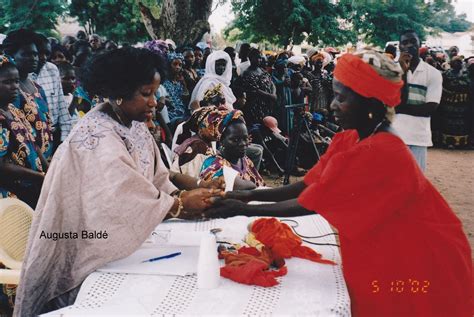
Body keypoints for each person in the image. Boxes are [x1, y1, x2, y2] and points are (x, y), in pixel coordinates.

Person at [207, 47, 471, 316]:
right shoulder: (352, 137)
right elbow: (307, 185)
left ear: (371, 104)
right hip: (389, 247)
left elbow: (312, 203)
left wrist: (243, 208)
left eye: (341, 98)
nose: (332, 105)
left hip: (418, 255)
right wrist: (248, 196)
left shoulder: (382, 150)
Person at [14, 47, 223, 316]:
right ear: (118, 94)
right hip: (82, 251)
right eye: (146, 94)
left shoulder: (132, 123)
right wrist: (180, 205)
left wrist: (194, 188)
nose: (154, 103)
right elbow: (123, 197)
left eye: (155, 93)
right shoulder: (97, 136)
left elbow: (157, 177)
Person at [0, 55, 49, 314]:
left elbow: (30, 142)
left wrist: (47, 164)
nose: (14, 87)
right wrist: (38, 177)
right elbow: (1, 164)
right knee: (13, 254)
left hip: (30, 188)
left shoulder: (14, 109)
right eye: (7, 82)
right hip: (8, 195)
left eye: (16, 81)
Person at [392, 29, 442, 172]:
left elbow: (430, 109)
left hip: (418, 136)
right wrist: (402, 73)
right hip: (394, 135)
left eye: (413, 41)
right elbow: (392, 103)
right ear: (399, 47)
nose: (409, 46)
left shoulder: (433, 73)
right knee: (393, 183)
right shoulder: (391, 71)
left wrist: (400, 108)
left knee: (416, 182)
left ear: (419, 44)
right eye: (404, 43)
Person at [1, 29, 53, 160]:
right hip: (26, 167)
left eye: (35, 54)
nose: (34, 58)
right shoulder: (10, 93)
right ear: (10, 56)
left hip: (46, 160)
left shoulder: (38, 88)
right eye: (27, 54)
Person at [200, 110, 265, 189]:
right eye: (235, 140)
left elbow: (260, 185)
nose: (243, 143)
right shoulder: (216, 168)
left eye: (245, 138)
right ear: (221, 141)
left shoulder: (244, 160)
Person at [32, 33, 73, 146]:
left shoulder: (52, 70)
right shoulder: (22, 76)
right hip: (34, 139)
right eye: (39, 53)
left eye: (47, 53)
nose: (43, 57)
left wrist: (63, 141)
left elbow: (62, 108)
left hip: (54, 135)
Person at [236, 48, 277, 126]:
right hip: (255, 108)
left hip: (267, 105)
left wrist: (274, 93)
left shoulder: (262, 70)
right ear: (251, 58)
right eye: (257, 58)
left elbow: (271, 83)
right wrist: (270, 96)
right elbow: (255, 91)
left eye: (260, 57)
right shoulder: (247, 74)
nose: (260, 60)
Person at [162, 52, 190, 128]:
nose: (177, 67)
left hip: (182, 113)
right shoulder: (163, 82)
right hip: (170, 116)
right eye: (175, 64)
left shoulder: (180, 82)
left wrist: (184, 85)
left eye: (180, 65)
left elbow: (186, 98)